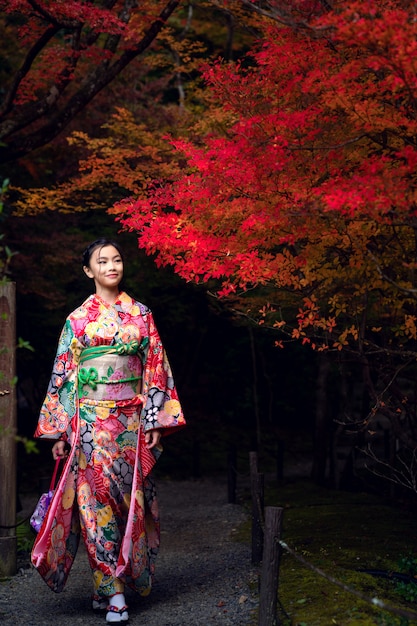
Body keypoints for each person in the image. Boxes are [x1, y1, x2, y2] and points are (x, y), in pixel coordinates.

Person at [31, 238, 185, 623]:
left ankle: (116, 580)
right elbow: (64, 377)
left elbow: (155, 367)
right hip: (89, 424)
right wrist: (62, 433)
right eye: (103, 261)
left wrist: (154, 420)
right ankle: (112, 592)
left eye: (117, 259)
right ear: (89, 271)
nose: (112, 266)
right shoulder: (77, 320)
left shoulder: (141, 314)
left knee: (129, 502)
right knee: (93, 504)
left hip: (131, 422)